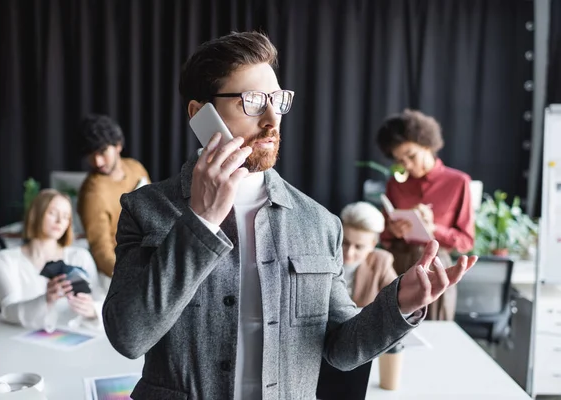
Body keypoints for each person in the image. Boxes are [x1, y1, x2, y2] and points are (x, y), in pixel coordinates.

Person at [102, 32, 477, 400]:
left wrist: (397, 307)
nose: (271, 118)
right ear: (200, 114)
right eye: (251, 101)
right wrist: (201, 221)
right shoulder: (146, 209)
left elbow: (340, 349)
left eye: (277, 100)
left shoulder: (319, 223)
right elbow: (130, 338)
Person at [377, 109, 475, 321]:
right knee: (391, 330)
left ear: (427, 145)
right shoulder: (395, 185)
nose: (408, 166)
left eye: (411, 156)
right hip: (399, 265)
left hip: (437, 268)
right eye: (400, 160)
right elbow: (384, 237)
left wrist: (433, 229)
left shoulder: (458, 182)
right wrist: (393, 230)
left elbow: (466, 242)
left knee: (436, 332)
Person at [0, 189, 106, 332]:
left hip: (75, 338)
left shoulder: (80, 256)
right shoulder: (5, 260)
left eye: (66, 216)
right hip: (24, 340)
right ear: (36, 214)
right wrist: (46, 299)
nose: (59, 221)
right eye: (53, 213)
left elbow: (103, 302)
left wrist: (93, 309)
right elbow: (8, 311)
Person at [77, 114, 150, 279]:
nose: (97, 161)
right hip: (120, 272)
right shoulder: (93, 192)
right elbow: (101, 250)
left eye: (102, 152)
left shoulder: (135, 168)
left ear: (118, 145)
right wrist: (131, 275)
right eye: (90, 154)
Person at [340, 201, 398, 307]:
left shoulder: (381, 262)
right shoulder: (323, 258)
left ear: (373, 245)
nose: (349, 253)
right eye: (345, 243)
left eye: (359, 247)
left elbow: (397, 301)